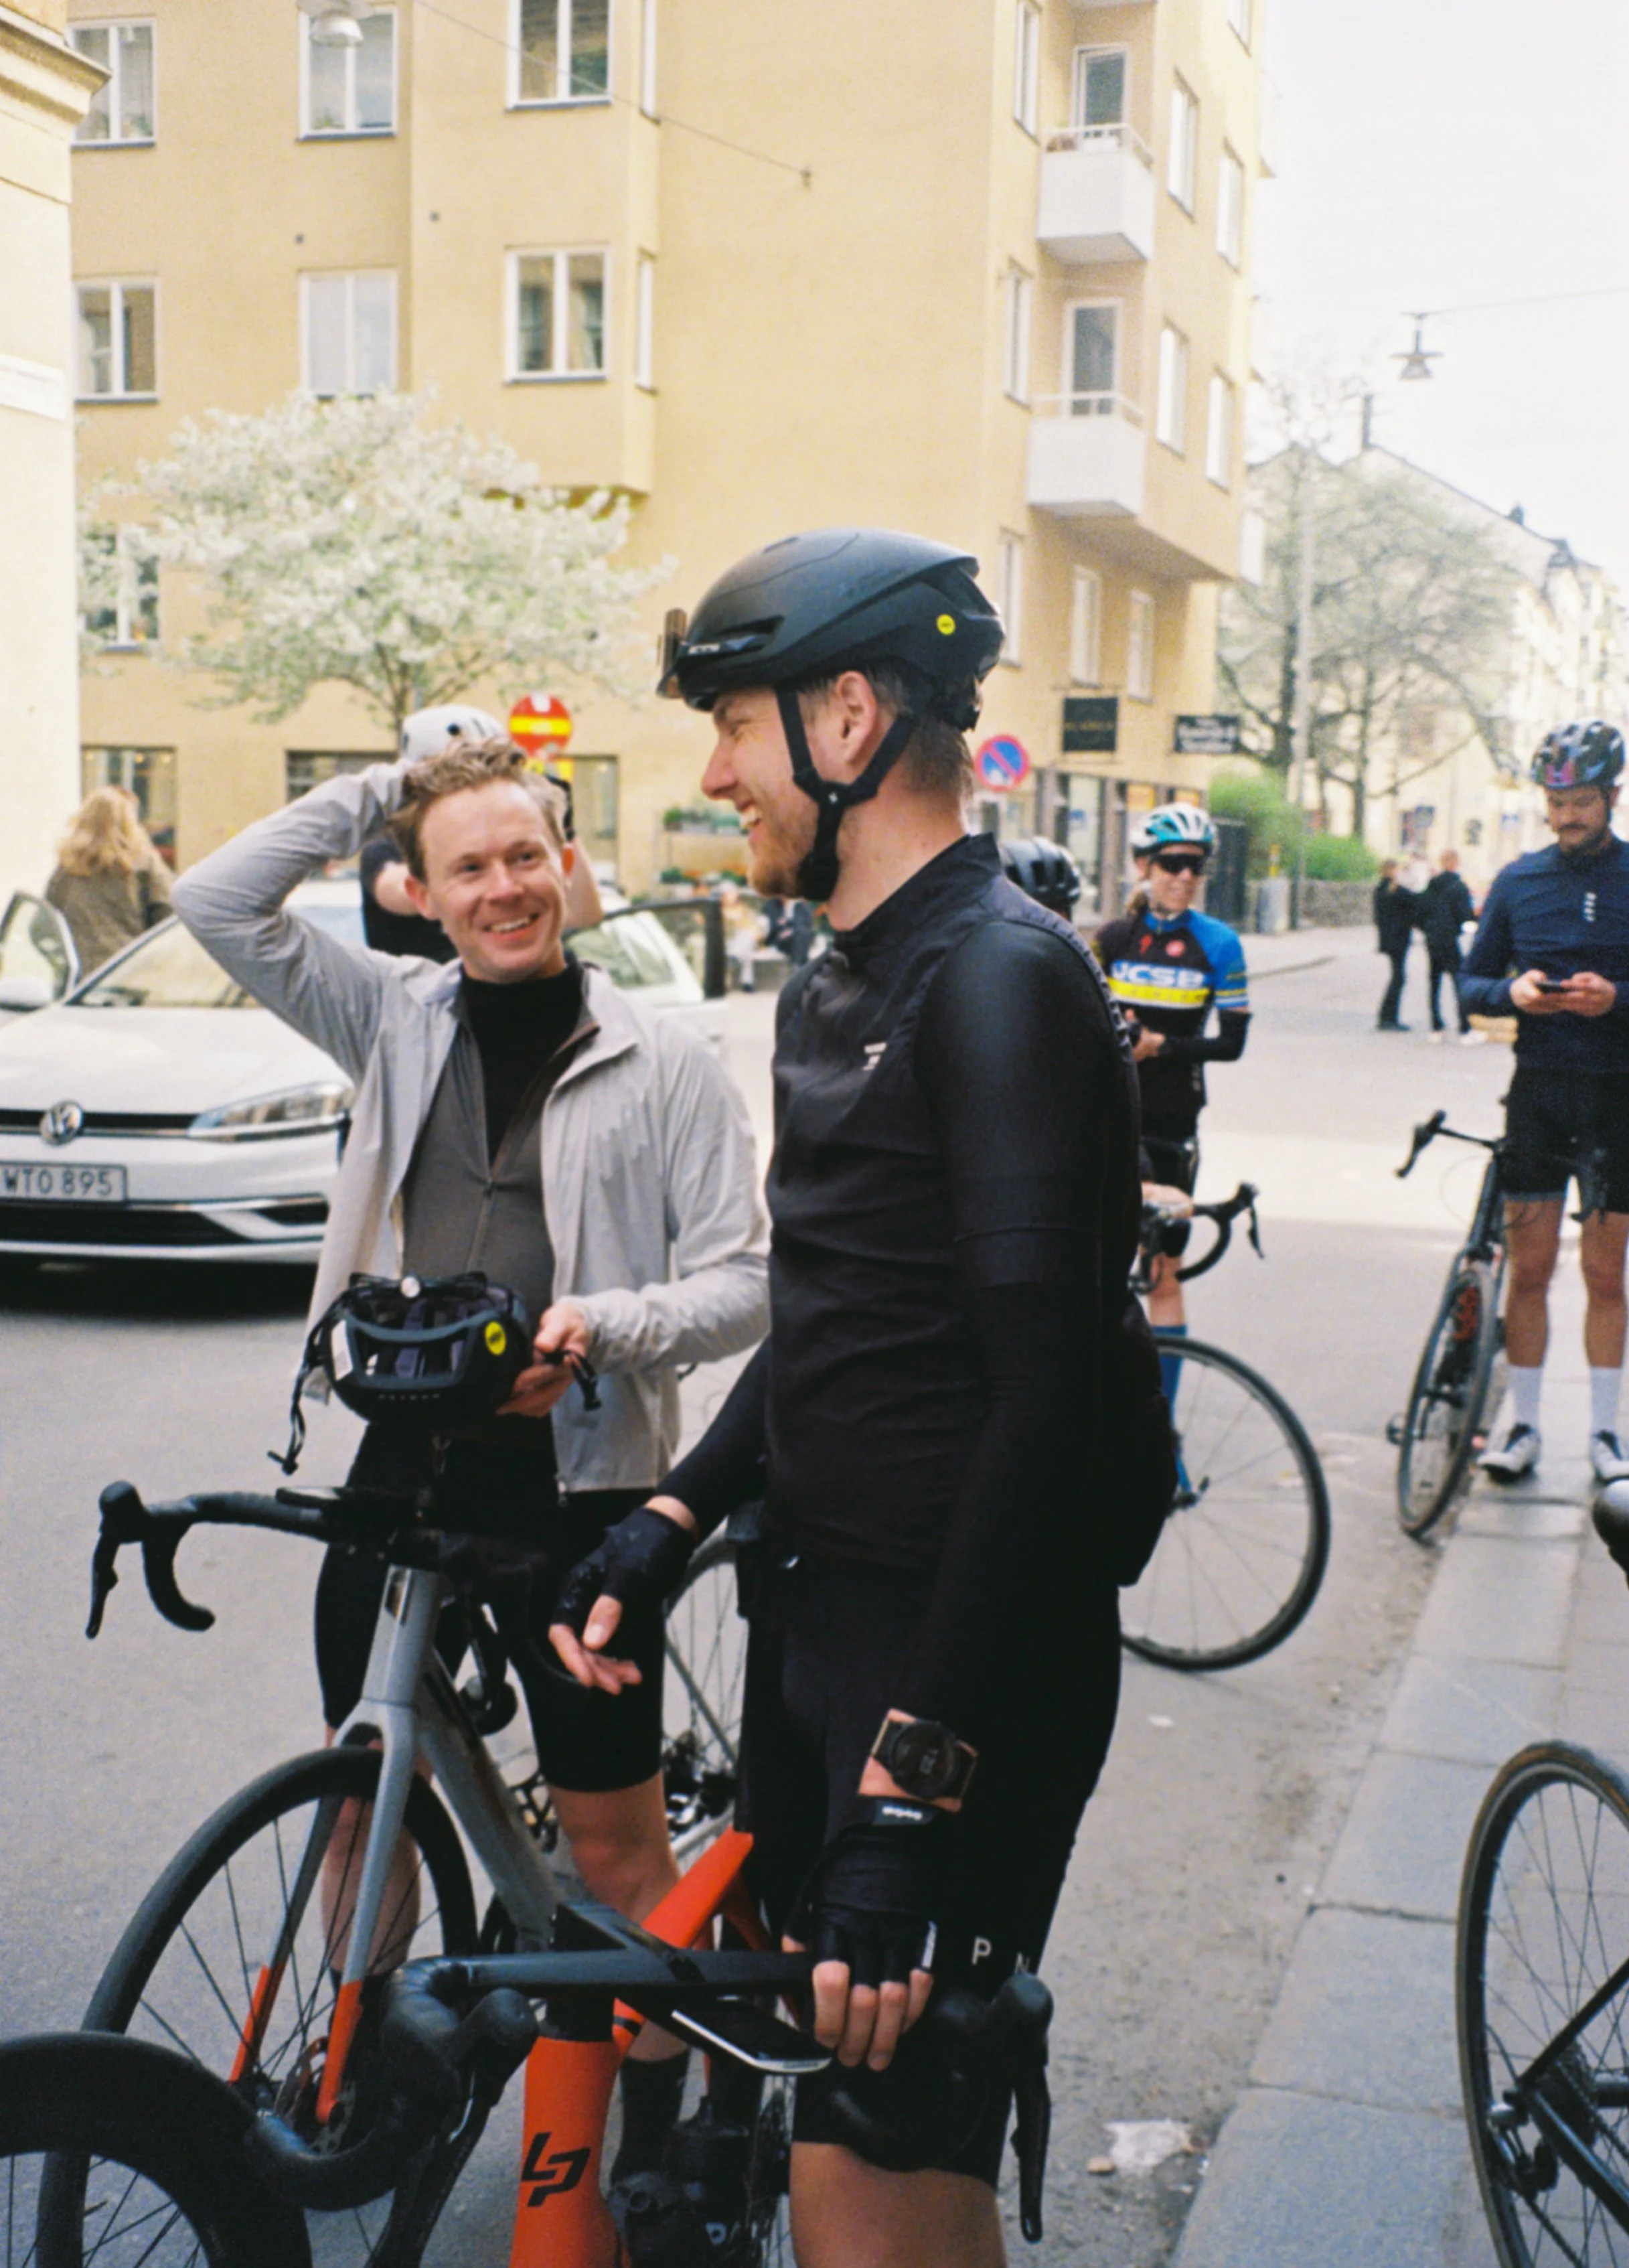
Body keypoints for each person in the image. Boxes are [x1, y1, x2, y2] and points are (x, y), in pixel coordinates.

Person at [548, 529, 1159, 2268]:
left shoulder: (998, 979)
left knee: (874, 2191)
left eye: (734, 725)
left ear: (846, 713)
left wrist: (910, 1795)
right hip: (827, 1624)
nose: (716, 771)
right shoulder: (840, 973)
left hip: (961, 1663)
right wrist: (666, 1528)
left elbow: (1040, 1419)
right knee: (859, 2158)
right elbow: (834, 1323)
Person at [171, 736, 767, 2178]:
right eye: (468, 866)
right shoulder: (390, 1016)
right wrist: (394, 784)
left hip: (582, 1486)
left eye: (526, 856)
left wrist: (600, 1326)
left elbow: (746, 1281)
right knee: (359, 1792)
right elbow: (215, 901)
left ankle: (648, 2142)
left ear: (568, 864)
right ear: (420, 893)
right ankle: (357, 2067)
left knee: (616, 1850)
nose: (505, 888)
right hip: (402, 1465)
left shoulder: (664, 1058)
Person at [1460, 720, 1629, 1486]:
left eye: (1582, 801)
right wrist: (1515, 994)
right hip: (1538, 1098)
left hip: (1616, 1100)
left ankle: (1604, 1435)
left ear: (1613, 797)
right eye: (1556, 802)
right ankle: (1522, 1425)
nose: (1567, 816)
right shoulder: (1520, 882)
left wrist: (1616, 999)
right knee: (1528, 1270)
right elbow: (1469, 985)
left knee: (1605, 1275)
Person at [1094, 805, 1250, 1358]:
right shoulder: (1111, 939)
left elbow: (1232, 1043)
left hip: (1171, 1121)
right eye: (1171, 863)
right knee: (1094, 1274)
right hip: (1108, 1119)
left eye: (1195, 866)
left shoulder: (1220, 945)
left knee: (1163, 1274)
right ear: (1143, 865)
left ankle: (1162, 1435)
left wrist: (1163, 1045)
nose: (1184, 876)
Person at [359, 706, 604, 957]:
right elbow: (396, 891)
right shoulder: (386, 846)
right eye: (471, 868)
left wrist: (564, 828)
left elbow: (585, 914)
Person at [45, 786, 172, 975]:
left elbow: (44, 924)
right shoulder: (144, 864)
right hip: (130, 972)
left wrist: (61, 959)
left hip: (81, 978)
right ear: (129, 821)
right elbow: (168, 916)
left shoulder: (67, 870)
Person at [1419, 847, 1480, 1045]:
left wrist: (1428, 929)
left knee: (1434, 982)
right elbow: (1465, 917)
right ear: (1455, 863)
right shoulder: (1459, 887)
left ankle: (1436, 1027)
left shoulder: (1431, 885)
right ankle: (1465, 1028)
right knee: (1459, 982)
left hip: (1433, 939)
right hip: (1450, 939)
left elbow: (1421, 911)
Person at [1373, 858, 1418, 1030]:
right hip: (1399, 939)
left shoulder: (1380, 889)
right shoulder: (1396, 890)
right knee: (1399, 978)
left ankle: (1387, 1017)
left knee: (1397, 977)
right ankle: (1388, 1018)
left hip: (1388, 940)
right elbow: (1416, 901)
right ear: (1392, 870)